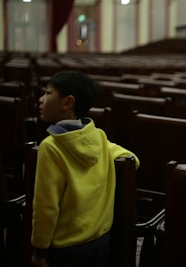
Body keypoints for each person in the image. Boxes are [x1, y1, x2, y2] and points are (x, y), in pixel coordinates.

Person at [31, 71, 140, 267]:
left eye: (48, 93)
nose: (41, 99)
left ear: (67, 102)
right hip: (100, 240)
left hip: (66, 248)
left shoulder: (51, 146)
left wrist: (39, 250)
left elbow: (46, 206)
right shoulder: (97, 136)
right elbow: (132, 159)